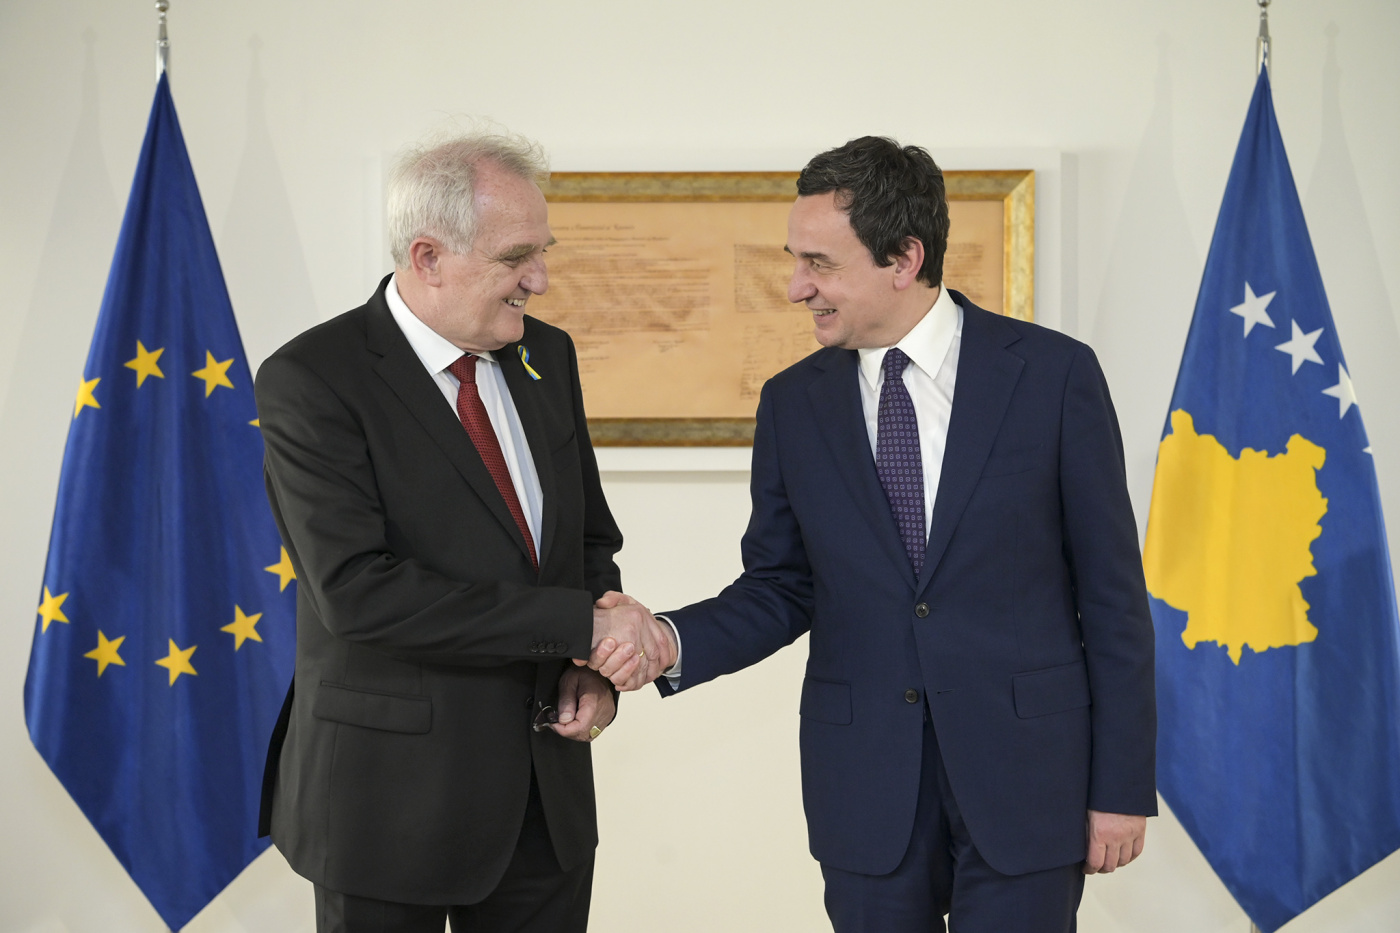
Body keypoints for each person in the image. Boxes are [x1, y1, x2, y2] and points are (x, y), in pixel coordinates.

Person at [589, 136, 1157, 933]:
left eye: (818, 264)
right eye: (795, 261)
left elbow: (1114, 597)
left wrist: (1121, 786)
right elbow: (781, 586)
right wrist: (667, 639)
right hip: (866, 789)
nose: (797, 287)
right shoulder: (793, 403)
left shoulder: (1055, 376)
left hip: (1029, 782)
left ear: (904, 258)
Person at [255, 129, 654, 933]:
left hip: (545, 799)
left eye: (542, 252)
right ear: (428, 257)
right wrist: (579, 625)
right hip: (385, 806)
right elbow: (359, 592)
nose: (539, 279)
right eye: (516, 258)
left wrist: (591, 670)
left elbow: (585, 540)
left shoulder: (548, 355)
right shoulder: (313, 378)